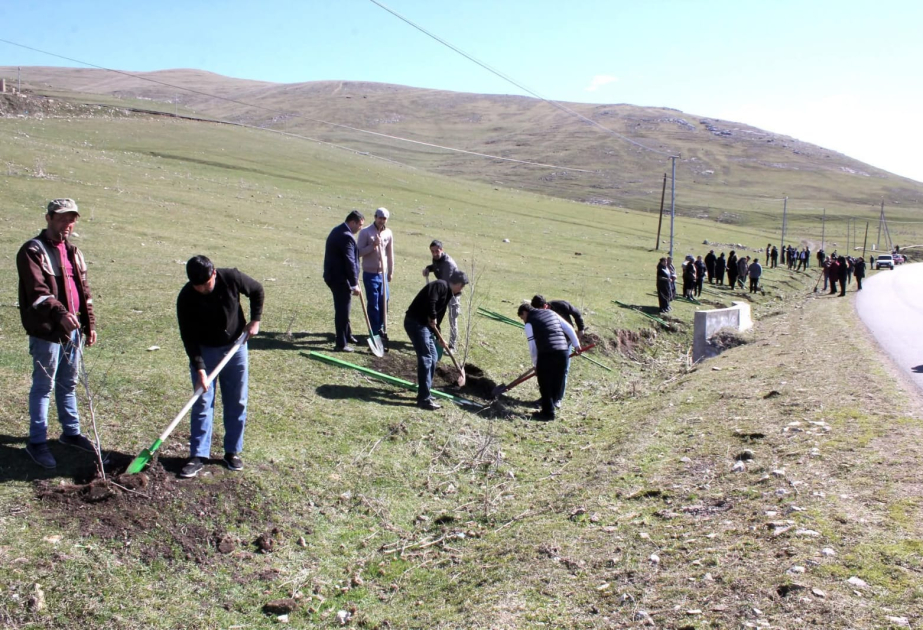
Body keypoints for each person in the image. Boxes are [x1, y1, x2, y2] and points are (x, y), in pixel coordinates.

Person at [17, 198, 99, 469]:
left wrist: (89, 324)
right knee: (44, 386)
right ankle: (37, 442)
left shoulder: (74, 252)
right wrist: (61, 315)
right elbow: (38, 292)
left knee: (69, 383)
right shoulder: (33, 250)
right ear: (49, 218)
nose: (68, 224)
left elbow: (83, 291)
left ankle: (71, 433)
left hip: (73, 329)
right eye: (62, 218)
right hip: (48, 331)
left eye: (72, 219)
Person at [176, 256, 263, 478]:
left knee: (236, 400)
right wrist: (200, 369)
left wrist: (255, 320)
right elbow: (188, 338)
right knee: (202, 401)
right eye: (197, 286)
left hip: (235, 347)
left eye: (206, 284)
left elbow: (257, 290)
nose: (203, 290)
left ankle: (232, 451)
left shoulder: (231, 278)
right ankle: (198, 454)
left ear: (213, 273)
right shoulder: (186, 298)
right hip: (205, 351)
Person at [404, 270, 469, 410]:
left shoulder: (448, 294)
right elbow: (431, 301)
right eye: (462, 286)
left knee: (433, 356)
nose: (461, 290)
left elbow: (438, 316)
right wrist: (432, 316)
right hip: (415, 322)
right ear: (457, 283)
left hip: (426, 327)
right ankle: (424, 399)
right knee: (426, 357)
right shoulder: (441, 285)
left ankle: (425, 392)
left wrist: (438, 334)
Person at [517, 303, 580, 421]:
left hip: (547, 352)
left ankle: (548, 413)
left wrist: (536, 365)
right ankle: (551, 407)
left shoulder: (529, 323)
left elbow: (532, 346)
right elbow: (569, 328)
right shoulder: (551, 313)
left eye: (522, 318)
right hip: (563, 351)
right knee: (557, 380)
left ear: (525, 312)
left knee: (544, 383)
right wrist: (576, 345)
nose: (523, 320)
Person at [531, 294, 585, 405]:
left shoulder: (561, 305)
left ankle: (558, 399)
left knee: (562, 371)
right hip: (550, 344)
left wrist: (580, 329)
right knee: (548, 371)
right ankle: (547, 398)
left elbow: (576, 314)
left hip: (566, 341)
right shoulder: (536, 316)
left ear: (546, 306)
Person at [323, 210, 364, 352]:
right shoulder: (346, 236)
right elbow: (350, 261)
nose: (360, 228)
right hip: (339, 279)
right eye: (360, 225)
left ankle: (347, 334)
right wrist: (354, 284)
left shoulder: (338, 230)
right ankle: (341, 343)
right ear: (352, 222)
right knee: (342, 310)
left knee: (344, 308)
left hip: (335, 277)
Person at [357, 208, 394, 350]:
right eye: (380, 218)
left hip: (383, 274)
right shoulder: (365, 232)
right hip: (370, 274)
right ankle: (374, 331)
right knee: (373, 303)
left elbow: (390, 254)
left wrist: (390, 271)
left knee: (384, 301)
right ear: (375, 217)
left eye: (384, 219)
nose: (382, 220)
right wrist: (373, 246)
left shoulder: (388, 233)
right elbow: (359, 252)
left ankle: (382, 330)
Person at [423, 240, 460, 351]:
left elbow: (445, 284)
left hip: (453, 294)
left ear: (442, 250)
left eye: (437, 251)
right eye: (432, 251)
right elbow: (435, 266)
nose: (435, 253)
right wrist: (428, 269)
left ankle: (452, 346)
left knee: (452, 319)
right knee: (436, 316)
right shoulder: (437, 259)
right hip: (443, 291)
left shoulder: (448, 263)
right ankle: (435, 339)